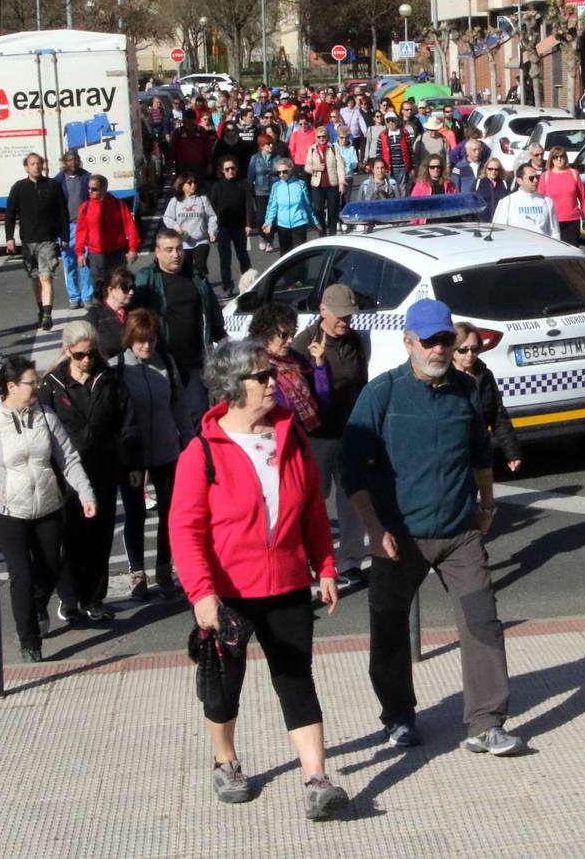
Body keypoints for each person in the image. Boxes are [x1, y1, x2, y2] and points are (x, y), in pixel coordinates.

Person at [168, 338, 347, 817]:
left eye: (272, 375)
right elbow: (184, 530)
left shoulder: (290, 438)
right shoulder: (201, 452)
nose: (274, 383)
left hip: (287, 583)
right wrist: (202, 596)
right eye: (262, 377)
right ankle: (225, 762)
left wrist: (324, 566)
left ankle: (316, 779)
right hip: (228, 593)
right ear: (233, 386)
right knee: (224, 683)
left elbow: (311, 508)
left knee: (296, 678)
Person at [341, 298, 522, 756]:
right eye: (430, 341)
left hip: (459, 533)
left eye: (446, 339)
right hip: (398, 537)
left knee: (482, 620)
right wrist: (373, 528)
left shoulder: (467, 389)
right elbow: (353, 470)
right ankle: (398, 717)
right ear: (408, 343)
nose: (439, 349)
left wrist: (488, 503)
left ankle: (486, 722)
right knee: (388, 628)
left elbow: (480, 454)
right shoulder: (381, 394)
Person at [0, 356, 94, 663]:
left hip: (48, 505)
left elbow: (68, 458)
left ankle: (37, 605)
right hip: (9, 510)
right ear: (12, 387)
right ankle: (29, 640)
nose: (37, 387)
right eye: (32, 382)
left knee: (49, 570)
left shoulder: (45, 416)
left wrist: (86, 492)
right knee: (22, 575)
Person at [41, 321, 136, 622]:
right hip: (66, 474)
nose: (86, 360)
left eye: (91, 354)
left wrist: (132, 464)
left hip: (103, 469)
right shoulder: (51, 385)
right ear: (68, 351)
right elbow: (42, 431)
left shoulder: (109, 380)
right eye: (80, 354)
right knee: (69, 536)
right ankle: (69, 598)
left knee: (99, 535)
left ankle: (94, 597)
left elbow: (127, 423)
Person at [293, 284, 370, 591]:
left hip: (350, 432)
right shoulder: (304, 344)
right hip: (318, 437)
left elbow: (360, 382)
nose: (345, 322)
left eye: (349, 317)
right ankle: (311, 562)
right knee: (314, 501)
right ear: (323, 310)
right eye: (340, 316)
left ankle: (351, 562)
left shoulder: (353, 340)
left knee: (353, 499)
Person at [116, 310, 184, 602]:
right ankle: (137, 572)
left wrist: (190, 442)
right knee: (135, 513)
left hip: (167, 447)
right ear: (130, 339)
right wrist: (127, 457)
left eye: (152, 340)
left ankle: (164, 568)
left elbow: (179, 406)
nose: (146, 346)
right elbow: (116, 416)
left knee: (170, 512)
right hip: (132, 453)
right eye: (141, 341)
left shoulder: (166, 363)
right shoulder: (117, 368)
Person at [132, 231, 227, 432]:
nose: (176, 255)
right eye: (169, 250)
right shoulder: (146, 279)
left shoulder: (195, 276)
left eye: (179, 249)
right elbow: (135, 318)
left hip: (194, 362)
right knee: (165, 420)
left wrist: (221, 337)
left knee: (198, 414)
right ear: (157, 252)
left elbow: (212, 309)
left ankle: (197, 458)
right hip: (161, 363)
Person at [5, 153, 70, 332]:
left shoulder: (53, 186)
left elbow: (62, 213)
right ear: (26, 167)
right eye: (32, 164)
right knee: (35, 278)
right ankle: (41, 309)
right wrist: (9, 237)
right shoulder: (19, 187)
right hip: (28, 241)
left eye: (39, 163)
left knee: (46, 276)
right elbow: (10, 213)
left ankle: (48, 314)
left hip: (47, 239)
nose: (36, 166)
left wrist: (64, 236)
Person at [452, 322, 522, 473]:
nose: (470, 354)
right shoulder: (444, 378)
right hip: (453, 452)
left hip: (479, 449)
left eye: (475, 349)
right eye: (463, 350)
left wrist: (512, 453)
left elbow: (497, 414)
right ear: (452, 350)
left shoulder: (484, 375)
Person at [250, 303, 327, 436]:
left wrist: (320, 367)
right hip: (278, 438)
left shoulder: (296, 359)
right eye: (284, 335)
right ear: (266, 334)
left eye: (293, 333)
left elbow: (323, 399)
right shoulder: (253, 368)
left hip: (308, 434)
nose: (291, 340)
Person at [71, 173, 140, 285]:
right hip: (95, 255)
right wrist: (80, 253)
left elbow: (130, 227)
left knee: (119, 285)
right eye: (88, 188)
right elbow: (81, 232)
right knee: (99, 287)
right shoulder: (85, 207)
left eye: (94, 189)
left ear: (104, 189)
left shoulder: (118, 204)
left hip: (117, 254)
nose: (90, 191)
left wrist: (133, 248)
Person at [52, 151, 94, 310]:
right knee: (69, 263)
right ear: (64, 162)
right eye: (70, 160)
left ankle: (87, 296)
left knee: (85, 263)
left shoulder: (87, 178)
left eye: (76, 159)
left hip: (84, 226)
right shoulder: (58, 181)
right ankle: (74, 297)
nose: (73, 162)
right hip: (66, 228)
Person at [209, 158, 255, 296]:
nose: (231, 171)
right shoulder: (217, 186)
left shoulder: (243, 184)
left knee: (243, 257)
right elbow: (211, 207)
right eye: (227, 169)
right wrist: (212, 228)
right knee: (225, 259)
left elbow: (249, 205)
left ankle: (248, 285)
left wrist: (248, 224)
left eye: (233, 168)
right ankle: (227, 287)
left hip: (239, 227)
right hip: (222, 227)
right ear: (222, 171)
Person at [163, 173, 220, 281]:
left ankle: (204, 289)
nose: (193, 185)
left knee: (200, 266)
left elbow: (212, 216)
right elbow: (167, 218)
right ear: (182, 186)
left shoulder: (202, 199)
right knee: (186, 269)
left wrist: (212, 231)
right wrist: (176, 227)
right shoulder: (175, 201)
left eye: (194, 182)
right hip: (184, 241)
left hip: (201, 239)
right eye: (189, 183)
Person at [262, 158, 322, 255]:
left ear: (291, 170)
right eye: (279, 172)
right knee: (285, 256)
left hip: (299, 224)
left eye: (284, 172)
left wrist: (315, 221)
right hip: (283, 226)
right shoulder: (276, 186)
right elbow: (272, 206)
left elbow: (307, 205)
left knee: (299, 255)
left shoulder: (300, 184)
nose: (281, 175)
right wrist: (268, 222)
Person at [537, 147, 585, 246]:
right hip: (551, 221)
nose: (559, 159)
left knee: (572, 254)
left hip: (572, 221)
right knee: (554, 253)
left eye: (561, 156)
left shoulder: (574, 173)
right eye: (555, 157)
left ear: (565, 157)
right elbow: (540, 201)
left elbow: (583, 197)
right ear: (551, 159)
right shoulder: (545, 176)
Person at [491, 163, 558, 236]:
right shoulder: (507, 202)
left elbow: (555, 232)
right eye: (531, 178)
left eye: (537, 177)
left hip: (542, 246)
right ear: (520, 181)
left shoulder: (547, 201)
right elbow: (498, 230)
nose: (535, 180)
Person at [304, 126, 349, 236]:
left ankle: (332, 233)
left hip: (332, 183)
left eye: (323, 136)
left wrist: (341, 183)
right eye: (319, 137)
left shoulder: (333, 148)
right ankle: (322, 232)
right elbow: (307, 166)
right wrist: (315, 168)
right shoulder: (312, 149)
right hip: (317, 184)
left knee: (333, 210)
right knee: (318, 209)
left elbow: (340, 166)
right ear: (316, 138)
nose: (321, 139)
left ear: (327, 136)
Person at [87, 266, 135, 360]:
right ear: (111, 290)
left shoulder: (134, 312)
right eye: (125, 288)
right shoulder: (95, 315)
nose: (131, 292)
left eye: (132, 287)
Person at [171, 108, 216, 181]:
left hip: (199, 166)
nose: (189, 124)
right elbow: (172, 149)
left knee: (199, 187)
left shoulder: (201, 131)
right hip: (182, 166)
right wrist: (170, 165)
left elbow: (208, 149)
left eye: (191, 121)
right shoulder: (178, 132)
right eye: (186, 121)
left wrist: (210, 164)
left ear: (195, 120)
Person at [378, 114, 414, 190]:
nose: (390, 123)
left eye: (393, 120)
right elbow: (379, 153)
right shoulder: (382, 135)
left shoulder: (404, 133)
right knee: (391, 189)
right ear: (385, 122)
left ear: (397, 121)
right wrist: (380, 168)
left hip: (403, 167)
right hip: (389, 168)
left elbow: (411, 151)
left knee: (403, 188)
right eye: (388, 121)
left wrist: (413, 167)